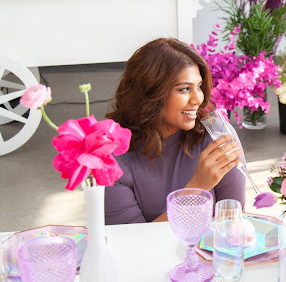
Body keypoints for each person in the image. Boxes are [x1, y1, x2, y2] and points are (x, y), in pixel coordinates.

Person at [104, 38, 246, 224]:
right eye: (184, 89)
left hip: (209, 252)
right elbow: (133, 242)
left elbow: (233, 224)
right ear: (151, 93)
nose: (198, 99)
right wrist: (197, 188)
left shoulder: (216, 136)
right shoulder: (112, 158)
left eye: (199, 86)